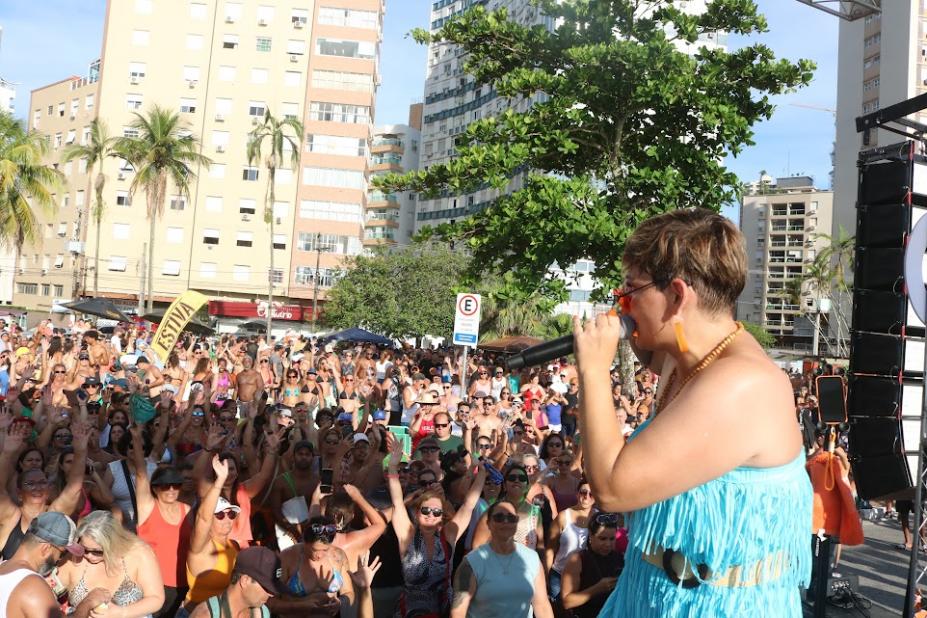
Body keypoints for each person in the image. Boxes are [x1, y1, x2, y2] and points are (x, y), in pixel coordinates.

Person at [573, 209, 812, 616]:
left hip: (717, 604)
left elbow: (612, 490)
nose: (621, 299)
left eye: (631, 288)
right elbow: (647, 344)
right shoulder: (685, 359)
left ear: (679, 296)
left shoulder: (741, 384)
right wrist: (628, 315)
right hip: (650, 593)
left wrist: (593, 370)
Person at [386, 433, 487, 617]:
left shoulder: (448, 535)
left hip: (442, 611)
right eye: (426, 511)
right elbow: (397, 503)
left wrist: (481, 473)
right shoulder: (407, 534)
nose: (431, 515)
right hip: (410, 612)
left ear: (442, 516)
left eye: (436, 512)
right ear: (417, 513)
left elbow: (469, 505)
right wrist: (393, 467)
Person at [451, 500, 554, 618]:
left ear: (516, 522)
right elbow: (458, 613)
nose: (505, 521)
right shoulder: (471, 563)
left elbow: (542, 606)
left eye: (511, 518)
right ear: (489, 523)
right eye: (499, 517)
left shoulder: (532, 558)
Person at [58, 510, 165, 618]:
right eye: (85, 549)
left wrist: (122, 613)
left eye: (97, 551)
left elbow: (156, 598)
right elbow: (49, 598)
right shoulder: (74, 559)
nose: (89, 556)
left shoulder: (138, 553)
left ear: (114, 543)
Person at [0, 511, 82, 618]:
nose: (58, 560)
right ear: (46, 549)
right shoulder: (33, 587)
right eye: (62, 554)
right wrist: (86, 605)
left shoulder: (3, 567)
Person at [184, 456, 239, 612]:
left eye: (231, 514)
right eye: (220, 515)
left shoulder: (232, 546)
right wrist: (220, 481)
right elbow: (203, 518)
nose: (227, 519)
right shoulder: (202, 547)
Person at [188, 546, 285, 618]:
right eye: (267, 588)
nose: (271, 595)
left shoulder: (262, 613)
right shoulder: (205, 615)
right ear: (245, 580)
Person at [560, 512, 624, 618]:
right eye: (602, 538)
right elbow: (567, 602)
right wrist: (598, 588)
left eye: (612, 539)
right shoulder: (578, 560)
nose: (608, 544)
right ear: (591, 536)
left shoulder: (620, 558)